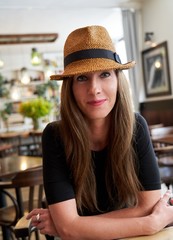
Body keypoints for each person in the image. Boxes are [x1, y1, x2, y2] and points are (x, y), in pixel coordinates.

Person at [27, 25, 173, 239]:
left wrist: (76, 225)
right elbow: (68, 229)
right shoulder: (55, 135)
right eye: (82, 78)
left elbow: (148, 205)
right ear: (70, 87)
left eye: (104, 74)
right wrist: (150, 223)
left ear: (117, 80)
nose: (94, 88)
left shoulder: (136, 126)